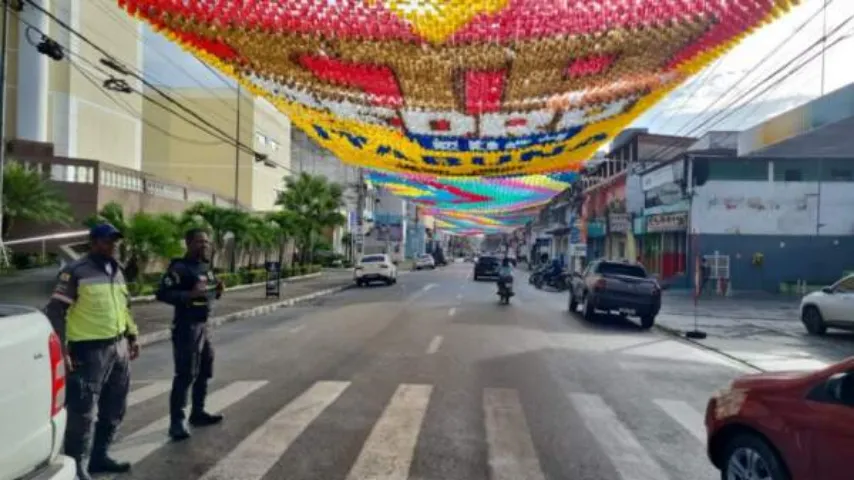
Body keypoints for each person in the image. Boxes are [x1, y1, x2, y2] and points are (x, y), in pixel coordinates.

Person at [44, 223, 140, 480]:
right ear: (93, 242)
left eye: (114, 242)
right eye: (107, 241)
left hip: (118, 346)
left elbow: (124, 307)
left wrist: (132, 335)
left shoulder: (116, 271)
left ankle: (100, 457)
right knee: (83, 411)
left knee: (115, 405)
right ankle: (77, 465)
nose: (112, 246)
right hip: (88, 350)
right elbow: (55, 311)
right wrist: (63, 349)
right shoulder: (75, 272)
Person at [156, 228, 225, 441]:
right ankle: (176, 422)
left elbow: (208, 292)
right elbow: (162, 293)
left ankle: (198, 413)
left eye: (206, 242)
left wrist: (218, 290)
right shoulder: (180, 268)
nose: (203, 245)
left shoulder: (205, 266)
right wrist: (189, 295)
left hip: (204, 325)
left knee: (204, 371)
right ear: (188, 244)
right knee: (185, 375)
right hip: (187, 326)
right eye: (198, 242)